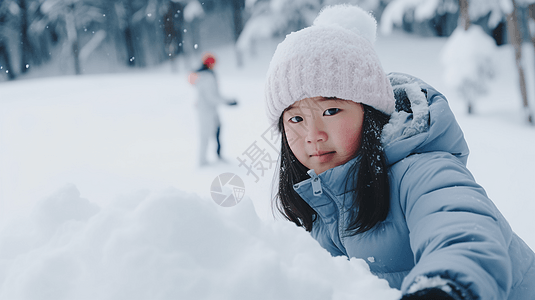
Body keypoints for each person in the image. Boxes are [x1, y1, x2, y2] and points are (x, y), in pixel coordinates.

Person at [264, 4, 535, 300]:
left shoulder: (422, 170)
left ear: (370, 112)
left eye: (331, 110)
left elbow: (462, 231)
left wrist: (443, 288)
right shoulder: (319, 207)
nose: (313, 135)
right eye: (296, 119)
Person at [189, 53, 237, 166]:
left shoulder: (204, 75)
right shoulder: (207, 77)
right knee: (205, 135)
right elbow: (211, 97)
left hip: (209, 110)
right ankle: (202, 162)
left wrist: (226, 100)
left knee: (217, 130)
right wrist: (227, 102)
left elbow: (214, 95)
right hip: (206, 111)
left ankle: (218, 155)